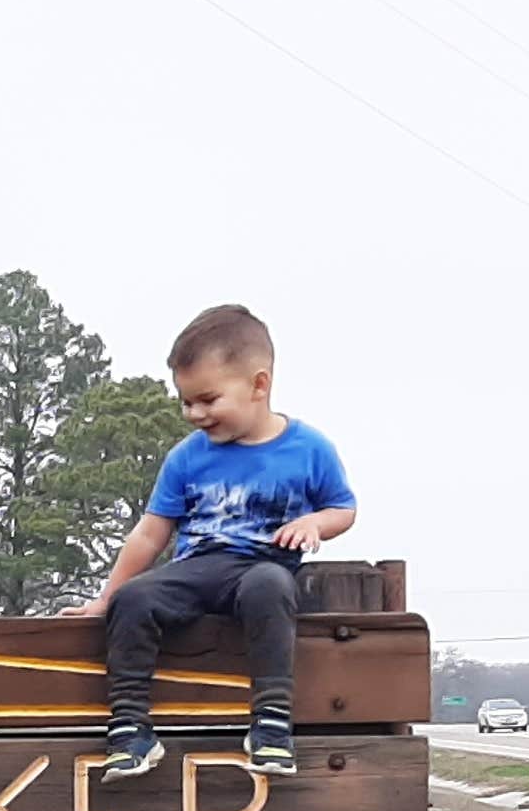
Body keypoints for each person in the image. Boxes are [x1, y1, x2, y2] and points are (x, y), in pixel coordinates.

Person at [69, 304, 356, 778]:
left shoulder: (309, 448)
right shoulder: (186, 458)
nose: (194, 414)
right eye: (186, 402)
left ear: (259, 385)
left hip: (263, 567)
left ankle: (270, 724)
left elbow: (343, 508)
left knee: (271, 588)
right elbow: (150, 532)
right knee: (136, 597)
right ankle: (130, 730)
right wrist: (107, 597)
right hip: (198, 568)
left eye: (207, 399)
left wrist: (315, 526)